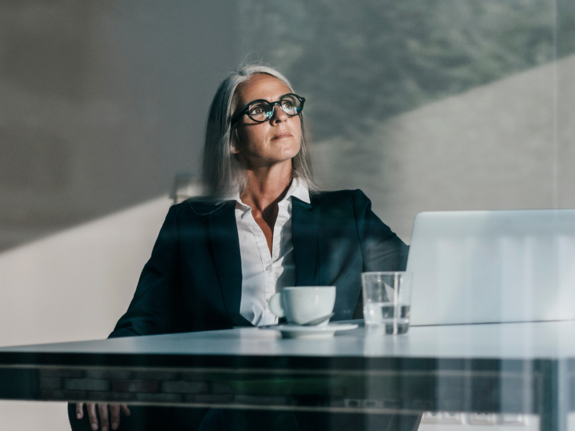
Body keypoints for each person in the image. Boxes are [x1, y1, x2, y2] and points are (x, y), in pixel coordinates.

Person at [68, 64, 413, 431]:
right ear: (232, 139)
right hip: (226, 393)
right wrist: (107, 362)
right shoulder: (190, 222)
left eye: (288, 104)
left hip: (318, 395)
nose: (281, 115)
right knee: (89, 400)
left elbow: (413, 278)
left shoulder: (348, 213)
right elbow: (145, 318)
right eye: (261, 110)